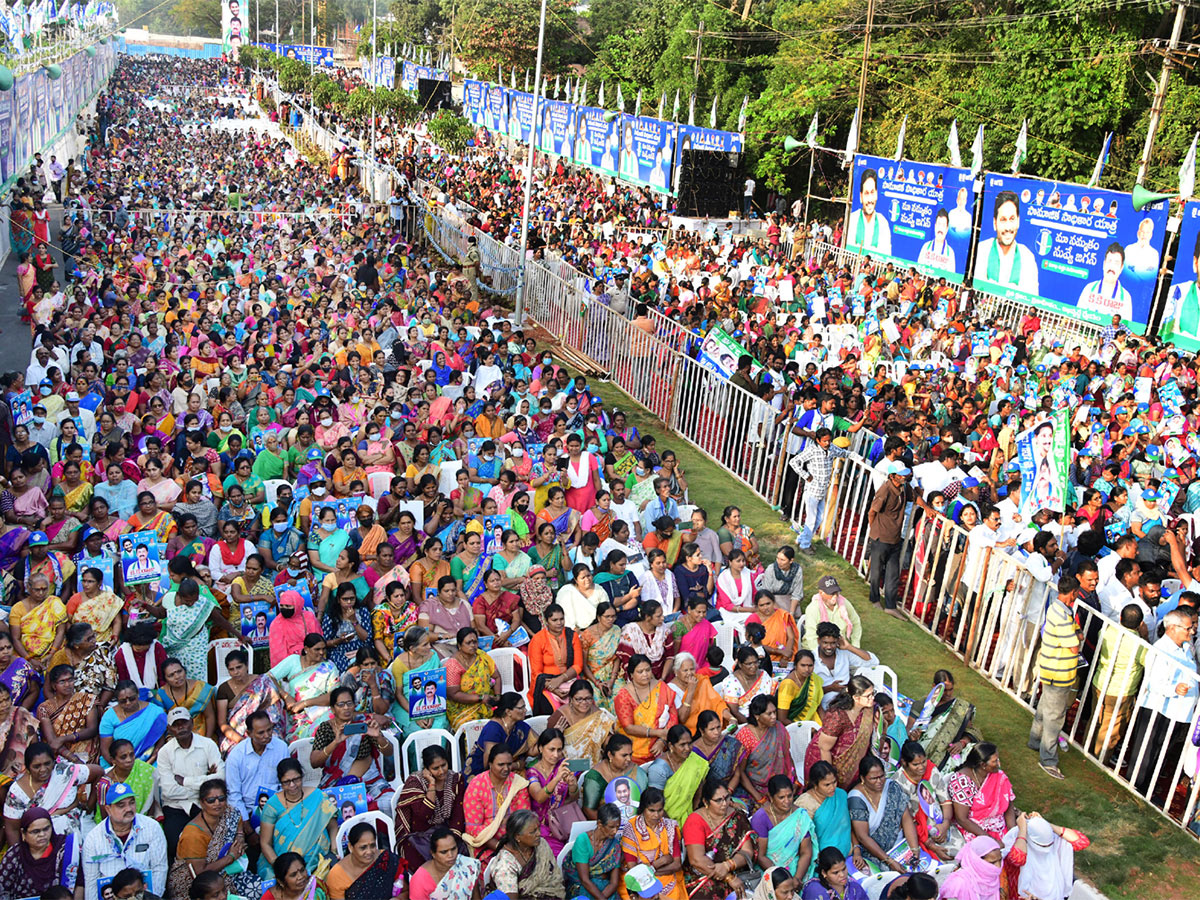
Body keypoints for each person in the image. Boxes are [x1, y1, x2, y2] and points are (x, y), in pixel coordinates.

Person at [168, 777, 262, 900]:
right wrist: (230, 857)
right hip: (196, 885)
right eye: (211, 800)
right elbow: (199, 874)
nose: (217, 804)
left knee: (261, 888)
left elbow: (237, 818)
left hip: (226, 872)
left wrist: (239, 836)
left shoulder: (229, 812)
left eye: (221, 799)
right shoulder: (193, 834)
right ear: (202, 803)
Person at [1029, 575, 1082, 780]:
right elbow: (1075, 644)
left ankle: (1035, 740)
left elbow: (1077, 637)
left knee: (1045, 708)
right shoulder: (1062, 615)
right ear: (1074, 593)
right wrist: (1076, 637)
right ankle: (1048, 760)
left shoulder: (1057, 609)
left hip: (1052, 669)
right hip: (1059, 672)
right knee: (1054, 717)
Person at [80, 781, 169, 900]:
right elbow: (91, 882)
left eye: (132, 803)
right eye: (121, 805)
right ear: (108, 809)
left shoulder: (152, 828)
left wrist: (151, 898)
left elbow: (159, 869)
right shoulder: (93, 838)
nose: (129, 809)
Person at [682, 776, 760, 900]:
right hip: (703, 874)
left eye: (727, 798)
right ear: (706, 802)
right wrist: (729, 877)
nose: (724, 804)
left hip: (735, 870)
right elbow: (697, 860)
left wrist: (727, 866)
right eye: (718, 800)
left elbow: (747, 851)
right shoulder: (695, 821)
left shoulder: (737, 816)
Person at [394, 745, 468, 873]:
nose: (441, 771)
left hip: (446, 831)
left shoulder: (456, 779)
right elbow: (424, 815)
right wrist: (432, 784)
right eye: (435, 768)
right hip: (419, 836)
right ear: (426, 769)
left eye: (444, 765)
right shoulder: (415, 782)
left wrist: (451, 838)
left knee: (460, 854)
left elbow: (458, 814)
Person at [848, 755, 921, 875]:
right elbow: (863, 837)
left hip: (899, 847)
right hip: (874, 853)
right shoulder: (856, 798)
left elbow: (906, 818)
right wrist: (889, 861)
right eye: (873, 778)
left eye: (882, 776)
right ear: (863, 778)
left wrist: (914, 849)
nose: (879, 781)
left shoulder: (892, 786)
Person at [463, 745, 531, 866]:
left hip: (517, 841)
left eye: (509, 764)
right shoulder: (476, 786)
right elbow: (473, 829)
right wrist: (503, 848)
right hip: (486, 845)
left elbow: (524, 819)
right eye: (501, 765)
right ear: (490, 764)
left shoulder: (518, 783)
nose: (506, 768)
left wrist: (515, 847)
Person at [0, 806, 82, 898]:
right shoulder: (14, 856)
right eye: (35, 831)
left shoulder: (64, 850)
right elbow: (3, 890)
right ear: (23, 833)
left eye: (46, 829)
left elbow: (79, 884)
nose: (42, 835)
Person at [484, 808, 565, 898]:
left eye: (538, 828)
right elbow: (511, 898)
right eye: (532, 832)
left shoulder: (541, 845)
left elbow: (555, 877)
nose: (538, 833)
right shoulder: (505, 864)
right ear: (517, 837)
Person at [614, 654, 678, 764]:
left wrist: (662, 741)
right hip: (632, 750)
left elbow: (673, 716)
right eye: (640, 672)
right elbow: (628, 727)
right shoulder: (623, 695)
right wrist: (657, 733)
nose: (645, 674)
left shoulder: (661, 686)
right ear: (631, 675)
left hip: (661, 745)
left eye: (648, 670)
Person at [753, 774, 816, 884]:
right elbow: (761, 856)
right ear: (771, 798)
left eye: (790, 796)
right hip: (769, 871)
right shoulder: (761, 818)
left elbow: (806, 852)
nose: (787, 801)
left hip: (797, 870)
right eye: (781, 797)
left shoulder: (800, 816)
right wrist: (782, 879)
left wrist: (796, 879)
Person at [974, 190, 1039, 295]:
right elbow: (977, 288)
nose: (1008, 228)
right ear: (995, 223)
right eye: (1003, 220)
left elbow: (1031, 299)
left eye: (1012, 219)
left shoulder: (1027, 258)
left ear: (1018, 221)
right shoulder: (982, 250)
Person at [947, 742, 1016, 841]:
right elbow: (962, 819)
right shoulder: (962, 782)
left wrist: (1012, 832)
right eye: (995, 761)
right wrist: (990, 840)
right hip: (974, 830)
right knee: (994, 855)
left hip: (999, 827)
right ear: (983, 765)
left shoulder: (998, 776)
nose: (999, 764)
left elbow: (1008, 802)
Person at [546, 678, 618, 767]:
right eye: (579, 699)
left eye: (588, 698)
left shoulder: (598, 715)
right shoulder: (560, 717)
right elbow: (547, 748)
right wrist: (556, 734)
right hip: (566, 766)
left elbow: (607, 741)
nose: (584, 703)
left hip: (593, 766)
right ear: (571, 699)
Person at [325, 821, 403, 900]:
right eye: (363, 847)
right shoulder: (337, 875)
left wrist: (398, 898)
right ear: (351, 847)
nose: (369, 852)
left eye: (372, 846)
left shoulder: (386, 859)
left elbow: (406, 891)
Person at [564, 801, 623, 900]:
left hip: (604, 888)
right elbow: (584, 880)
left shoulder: (614, 845)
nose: (615, 831)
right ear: (600, 824)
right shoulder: (583, 841)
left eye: (617, 827)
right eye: (611, 827)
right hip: (582, 887)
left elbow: (614, 883)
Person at [468, 690, 534, 776]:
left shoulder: (519, 725)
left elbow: (537, 746)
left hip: (507, 769)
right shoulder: (493, 730)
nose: (525, 710)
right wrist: (516, 765)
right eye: (521, 708)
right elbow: (489, 765)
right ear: (508, 712)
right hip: (483, 773)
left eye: (524, 707)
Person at [407, 826, 481, 900]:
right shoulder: (420, 881)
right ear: (433, 853)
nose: (451, 855)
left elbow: (476, 896)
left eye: (453, 849)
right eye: (444, 852)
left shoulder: (467, 866)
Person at [847, 168, 892, 256]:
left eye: (872, 192)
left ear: (876, 194)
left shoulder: (883, 223)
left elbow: (886, 254)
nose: (870, 200)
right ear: (861, 196)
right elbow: (848, 247)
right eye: (866, 193)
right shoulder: (852, 219)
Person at [800, 847, 868, 899]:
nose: (842, 875)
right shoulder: (815, 890)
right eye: (836, 872)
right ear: (824, 873)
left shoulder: (854, 888)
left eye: (844, 869)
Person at [777, 649, 823, 725]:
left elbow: (818, 707)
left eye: (810, 665)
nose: (807, 669)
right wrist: (803, 729)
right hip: (793, 726)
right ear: (795, 665)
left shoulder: (814, 679)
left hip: (814, 723)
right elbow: (782, 719)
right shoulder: (788, 685)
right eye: (803, 665)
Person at [262, 853, 329, 900]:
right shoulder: (271, 897)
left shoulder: (316, 887)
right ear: (281, 881)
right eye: (293, 875)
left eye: (302, 870)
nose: (301, 877)